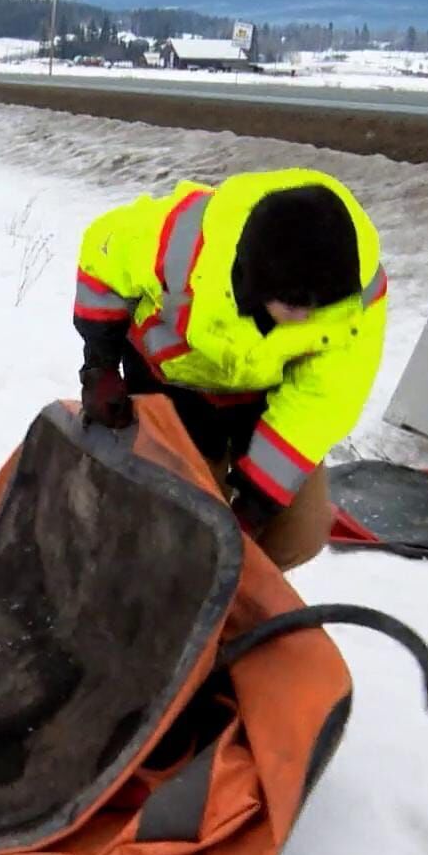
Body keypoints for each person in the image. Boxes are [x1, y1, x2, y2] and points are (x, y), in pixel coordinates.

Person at [71, 168, 386, 571]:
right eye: (295, 306)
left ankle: (229, 590)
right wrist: (99, 366)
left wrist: (255, 503)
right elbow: (101, 257)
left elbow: (325, 398)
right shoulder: (182, 241)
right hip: (171, 383)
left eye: (319, 307)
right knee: (183, 524)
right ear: (258, 281)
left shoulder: (354, 295)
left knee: (299, 533)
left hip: (268, 400)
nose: (308, 318)